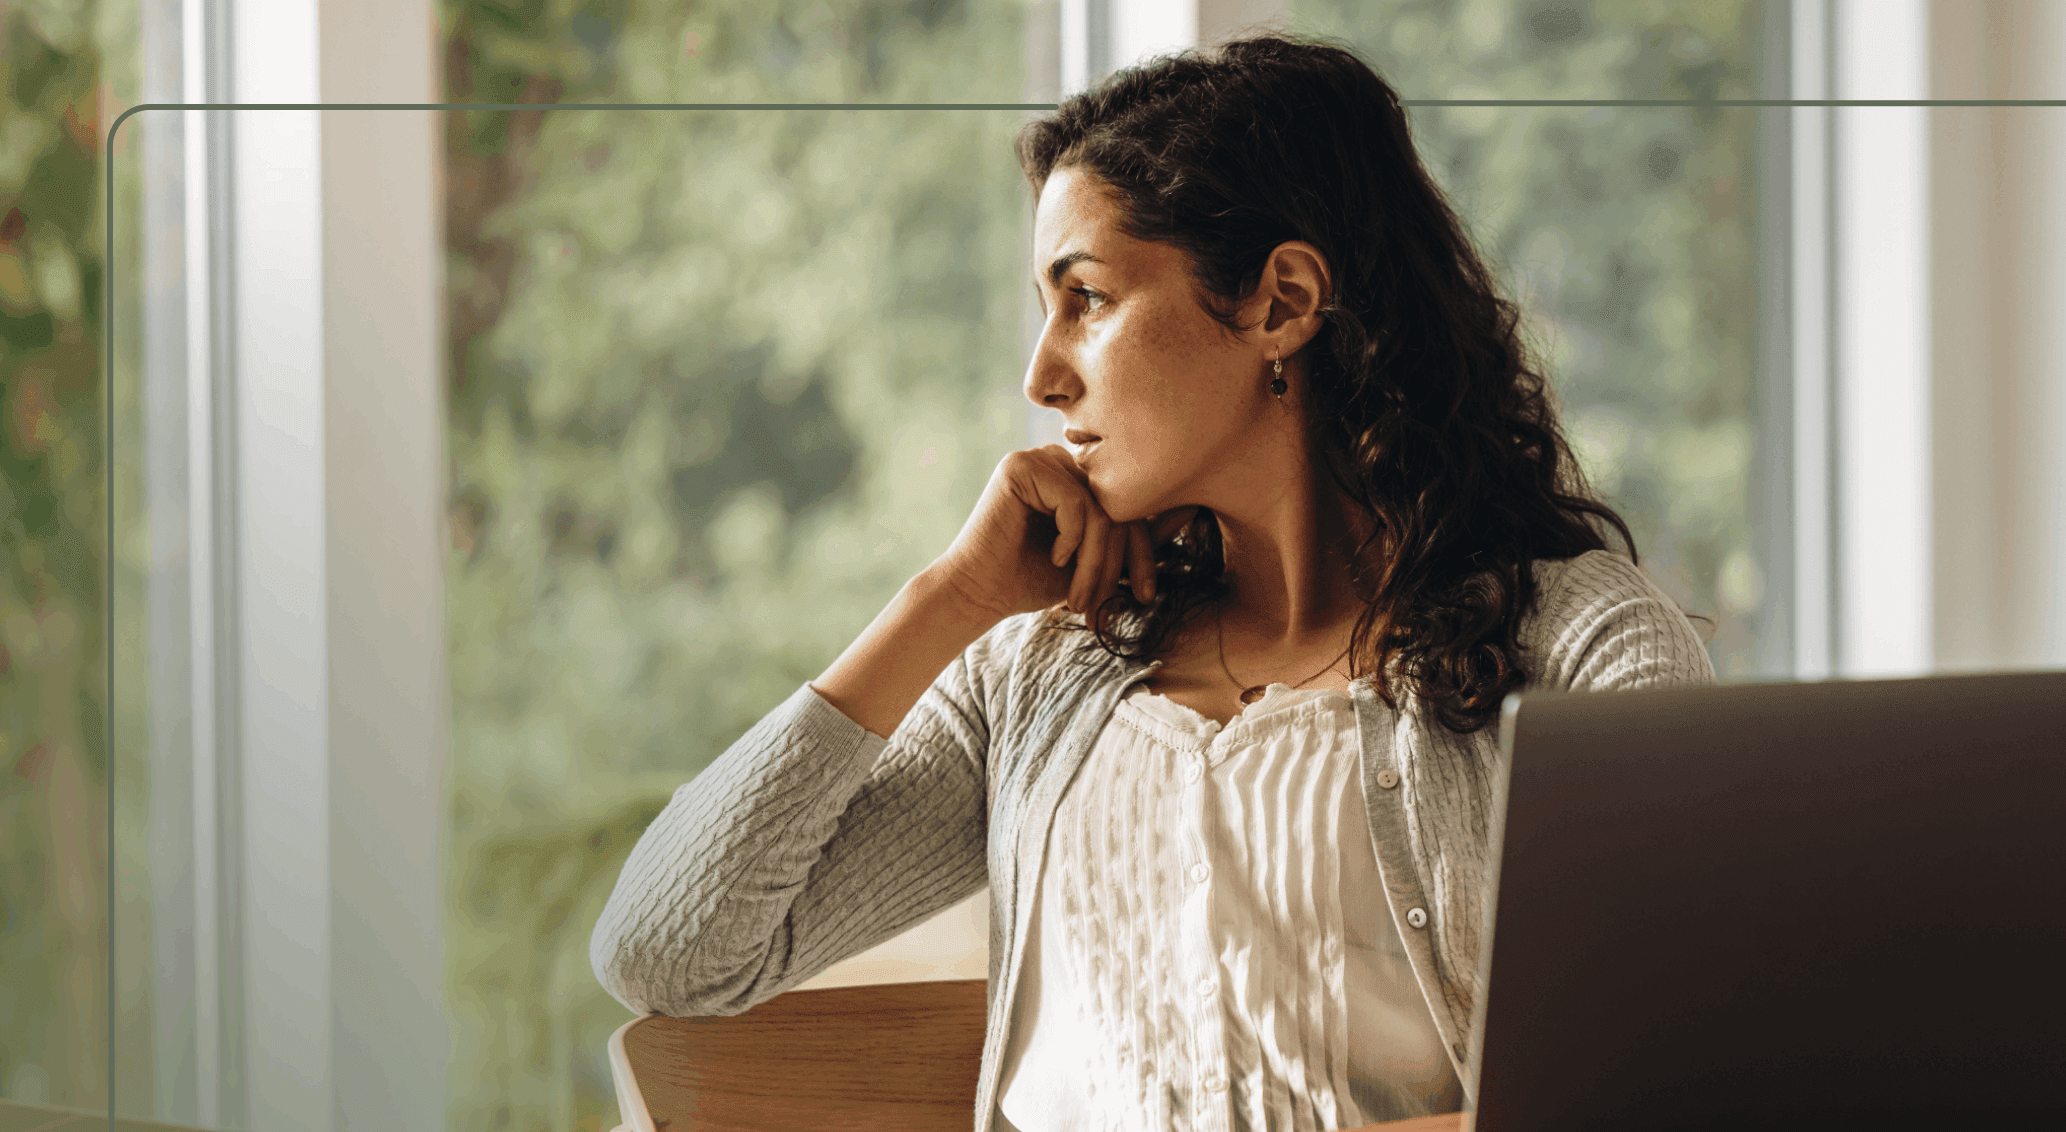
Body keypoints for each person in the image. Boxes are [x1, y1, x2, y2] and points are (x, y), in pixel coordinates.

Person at [589, 34, 1714, 1132]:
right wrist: (949, 600)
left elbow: (1686, 1061)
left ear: (1281, 302)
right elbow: (666, 951)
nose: (1041, 375)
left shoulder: (1573, 648)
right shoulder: (1036, 677)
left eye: (1086, 298)